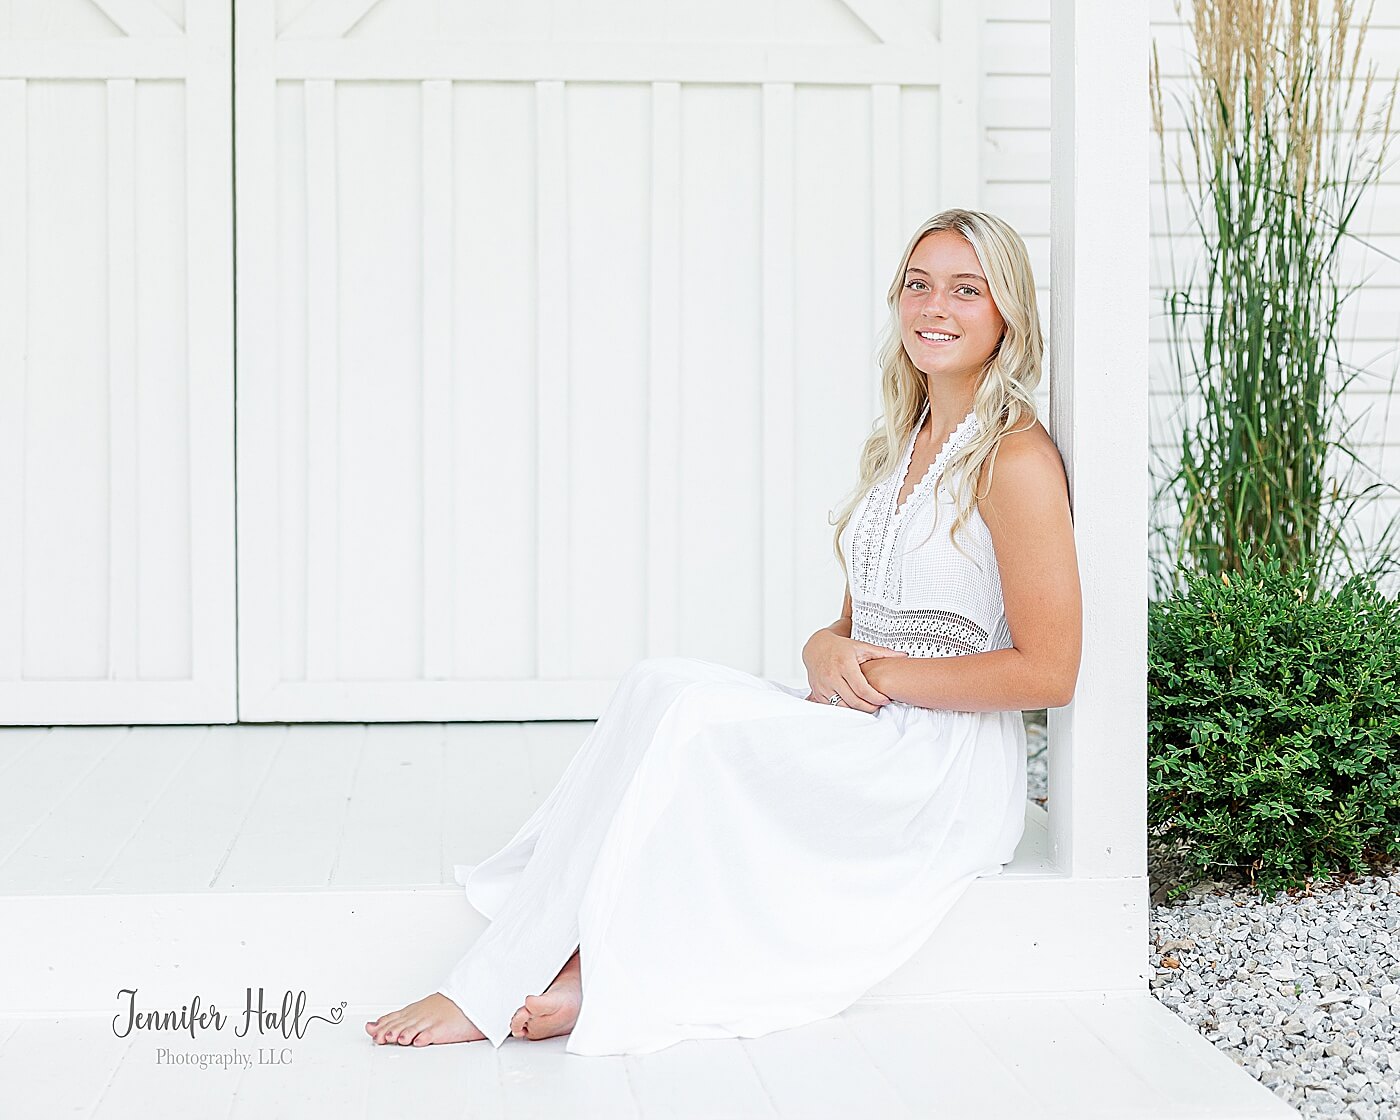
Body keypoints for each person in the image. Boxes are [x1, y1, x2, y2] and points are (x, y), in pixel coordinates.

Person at [365, 207, 1082, 1055]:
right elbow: (859, 624)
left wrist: (881, 677)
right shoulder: (907, 439)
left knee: (695, 724)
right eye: (919, 285)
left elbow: (1048, 673)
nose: (937, 306)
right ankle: (575, 951)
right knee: (658, 684)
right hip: (868, 718)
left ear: (1008, 313)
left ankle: (515, 981)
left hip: (939, 764)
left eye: (968, 289)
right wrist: (824, 646)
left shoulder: (1016, 460)